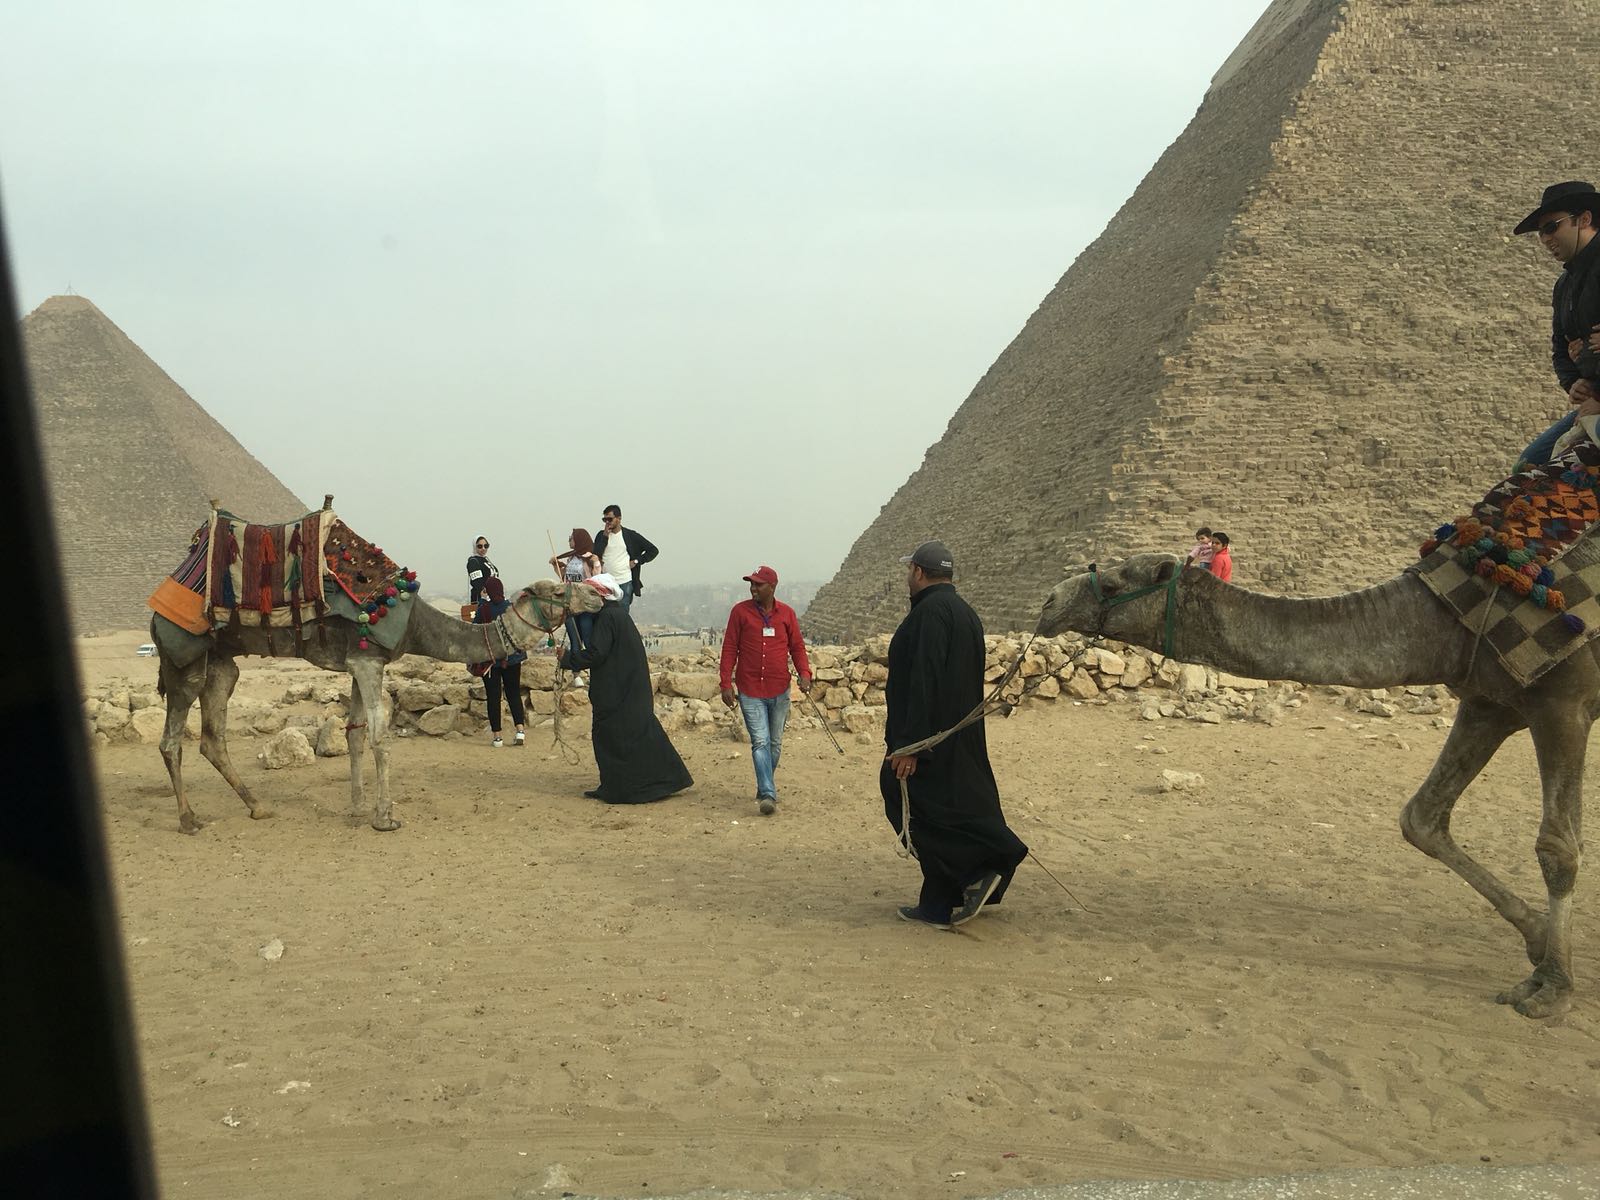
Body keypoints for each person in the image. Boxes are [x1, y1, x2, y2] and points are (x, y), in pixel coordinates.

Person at [881, 540, 1027, 930]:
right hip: (959, 737)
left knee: (906, 799)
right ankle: (937, 905)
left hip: (930, 740)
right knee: (951, 811)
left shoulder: (928, 615)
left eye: (909, 569)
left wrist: (911, 746)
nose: (907, 576)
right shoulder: (965, 613)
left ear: (918, 572)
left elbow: (923, 681)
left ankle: (978, 871)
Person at [559, 574, 693, 804]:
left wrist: (567, 658)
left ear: (600, 596)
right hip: (627, 687)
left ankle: (623, 789)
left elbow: (597, 653)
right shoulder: (617, 615)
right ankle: (638, 784)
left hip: (617, 691)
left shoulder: (608, 617)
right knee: (636, 736)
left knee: (611, 738)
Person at [1513, 181, 1600, 466]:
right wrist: (1575, 383)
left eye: (1551, 227)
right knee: (1530, 462)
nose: (1545, 239)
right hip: (1593, 398)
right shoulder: (1564, 286)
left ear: (1584, 219)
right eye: (1541, 232)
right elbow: (1561, 349)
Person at [719, 565, 813, 815]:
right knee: (760, 742)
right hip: (750, 688)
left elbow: (797, 647)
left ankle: (763, 785)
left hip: (779, 688)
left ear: (772, 587)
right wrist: (725, 683)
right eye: (751, 584)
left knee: (775, 744)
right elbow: (729, 647)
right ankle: (769, 793)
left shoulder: (787, 614)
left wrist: (805, 674)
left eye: (758, 584)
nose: (753, 588)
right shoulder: (740, 612)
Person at [473, 577, 526, 748]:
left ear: (487, 591)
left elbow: (475, 628)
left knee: (493, 698)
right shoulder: (511, 607)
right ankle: (520, 731)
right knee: (514, 694)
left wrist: (482, 600)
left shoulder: (484, 609)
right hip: (512, 658)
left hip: (490, 661)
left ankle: (497, 737)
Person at [592, 505, 658, 611]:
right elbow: (596, 555)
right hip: (605, 583)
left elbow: (653, 550)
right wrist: (605, 537)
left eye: (610, 519)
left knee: (622, 615)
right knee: (603, 615)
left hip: (624, 581)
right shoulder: (601, 535)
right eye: (605, 520)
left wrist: (636, 561)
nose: (607, 522)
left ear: (619, 518)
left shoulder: (630, 535)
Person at [550, 527, 600, 652]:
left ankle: (592, 661)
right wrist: (556, 565)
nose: (569, 541)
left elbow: (597, 579)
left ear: (579, 539)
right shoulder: (571, 558)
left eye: (571, 538)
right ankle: (575, 663)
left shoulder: (590, 558)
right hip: (571, 603)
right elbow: (565, 578)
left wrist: (596, 564)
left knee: (587, 639)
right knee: (574, 641)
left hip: (584, 604)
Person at [466, 535, 498, 603]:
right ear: (475, 547)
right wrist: (486, 598)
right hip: (482, 600)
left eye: (486, 546)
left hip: (494, 597)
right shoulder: (473, 561)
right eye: (480, 546)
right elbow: (477, 583)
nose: (483, 548)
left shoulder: (486, 560)